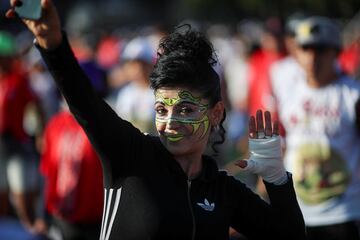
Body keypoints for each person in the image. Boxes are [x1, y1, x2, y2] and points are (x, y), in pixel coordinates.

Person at [6, 1, 306, 239]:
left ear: (216, 113)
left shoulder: (223, 191)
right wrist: (53, 45)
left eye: (186, 110)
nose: (170, 121)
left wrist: (276, 178)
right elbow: (85, 103)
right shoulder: (131, 156)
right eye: (162, 109)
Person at [271, 16, 360, 240]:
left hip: (344, 212)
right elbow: (282, 142)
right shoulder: (288, 93)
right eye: (306, 48)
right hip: (299, 212)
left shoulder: (353, 95)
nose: (312, 57)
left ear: (336, 52)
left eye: (321, 50)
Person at [38, 99, 104, 240]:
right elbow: (48, 172)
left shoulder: (102, 124)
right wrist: (42, 215)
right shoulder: (55, 124)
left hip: (96, 218)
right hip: (62, 219)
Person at [0, 29, 44, 232]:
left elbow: (37, 104)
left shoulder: (18, 80)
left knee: (21, 191)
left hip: (16, 143)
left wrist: (41, 132)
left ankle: (30, 228)